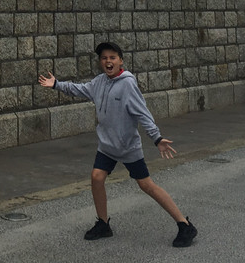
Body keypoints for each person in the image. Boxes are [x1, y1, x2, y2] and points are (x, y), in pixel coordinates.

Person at [39, 41, 198, 247]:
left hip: (127, 147)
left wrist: (157, 138)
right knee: (97, 177)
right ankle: (103, 224)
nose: (108, 61)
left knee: (146, 185)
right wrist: (57, 84)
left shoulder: (128, 84)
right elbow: (79, 89)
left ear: (120, 60)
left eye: (112, 57)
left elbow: (143, 113)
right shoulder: (99, 82)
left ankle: (184, 225)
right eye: (104, 58)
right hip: (107, 147)